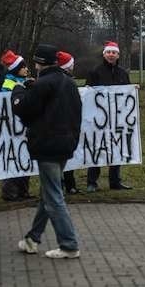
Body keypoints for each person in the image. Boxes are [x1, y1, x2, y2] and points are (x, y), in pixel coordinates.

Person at [12, 43, 82, 259]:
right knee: (48, 193)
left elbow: (23, 108)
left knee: (53, 195)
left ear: (39, 63)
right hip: (65, 144)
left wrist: (19, 91)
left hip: (47, 146)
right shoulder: (68, 83)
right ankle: (32, 239)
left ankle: (69, 244)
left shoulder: (43, 84)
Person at [86, 41, 133, 192]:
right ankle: (92, 182)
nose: (111, 55)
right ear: (104, 54)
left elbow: (127, 94)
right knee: (98, 148)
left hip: (117, 119)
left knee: (117, 148)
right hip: (99, 119)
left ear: (118, 55)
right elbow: (89, 94)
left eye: (114, 53)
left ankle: (115, 181)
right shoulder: (95, 72)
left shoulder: (122, 73)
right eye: (108, 52)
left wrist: (133, 90)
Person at [0, 50, 33, 201]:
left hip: (23, 127)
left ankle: (23, 191)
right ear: (15, 69)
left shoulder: (22, 82)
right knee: (12, 158)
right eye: (23, 67)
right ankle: (10, 192)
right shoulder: (8, 85)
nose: (27, 69)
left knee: (24, 158)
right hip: (11, 129)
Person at [57, 51, 80, 195]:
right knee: (62, 159)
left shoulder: (66, 80)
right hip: (63, 126)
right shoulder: (65, 81)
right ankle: (64, 185)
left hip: (65, 125)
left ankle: (66, 184)